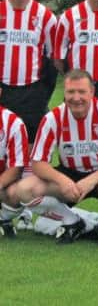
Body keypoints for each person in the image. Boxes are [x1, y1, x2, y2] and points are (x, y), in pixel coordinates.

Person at [15, 69, 98, 245]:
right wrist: (63, 180)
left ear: (92, 92)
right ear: (64, 93)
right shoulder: (53, 118)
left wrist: (91, 180)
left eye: (81, 92)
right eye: (71, 92)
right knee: (25, 189)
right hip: (69, 174)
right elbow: (38, 163)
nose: (76, 97)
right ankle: (73, 221)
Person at [0, 0, 58, 229]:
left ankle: (22, 209)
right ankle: (7, 203)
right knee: (5, 150)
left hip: (31, 91)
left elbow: (51, 59)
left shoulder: (45, 16)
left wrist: (41, 92)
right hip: (2, 90)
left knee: (30, 150)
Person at [0, 94, 29, 238]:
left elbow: (16, 169)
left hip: (3, 186)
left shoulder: (13, 123)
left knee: (16, 193)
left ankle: (4, 218)